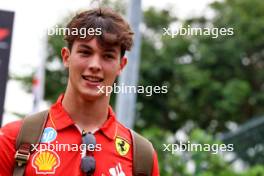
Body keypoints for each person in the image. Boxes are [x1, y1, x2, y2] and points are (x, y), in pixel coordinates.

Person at [0, 7, 160, 176]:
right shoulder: (13, 139)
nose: (95, 65)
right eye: (85, 52)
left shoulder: (142, 156)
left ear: (122, 65)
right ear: (66, 57)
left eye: (108, 56)